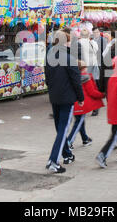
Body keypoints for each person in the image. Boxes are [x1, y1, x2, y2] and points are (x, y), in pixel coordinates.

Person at [45, 30, 84, 174]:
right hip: (67, 98)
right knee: (63, 129)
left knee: (59, 127)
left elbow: (47, 77)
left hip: (54, 96)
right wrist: (81, 98)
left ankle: (67, 154)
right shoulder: (69, 57)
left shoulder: (49, 56)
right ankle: (53, 160)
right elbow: (76, 80)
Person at [68, 60, 105, 149]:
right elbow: (92, 92)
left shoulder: (72, 78)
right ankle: (69, 141)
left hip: (73, 103)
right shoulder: (85, 78)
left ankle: (85, 139)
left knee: (80, 121)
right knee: (79, 122)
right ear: (82, 69)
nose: (87, 69)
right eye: (85, 67)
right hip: (81, 104)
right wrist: (103, 95)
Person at [91, 27, 108, 116]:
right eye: (94, 32)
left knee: (100, 81)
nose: (96, 33)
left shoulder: (103, 40)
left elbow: (105, 52)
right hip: (93, 64)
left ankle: (102, 93)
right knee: (96, 83)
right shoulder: (91, 41)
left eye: (97, 32)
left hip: (101, 63)